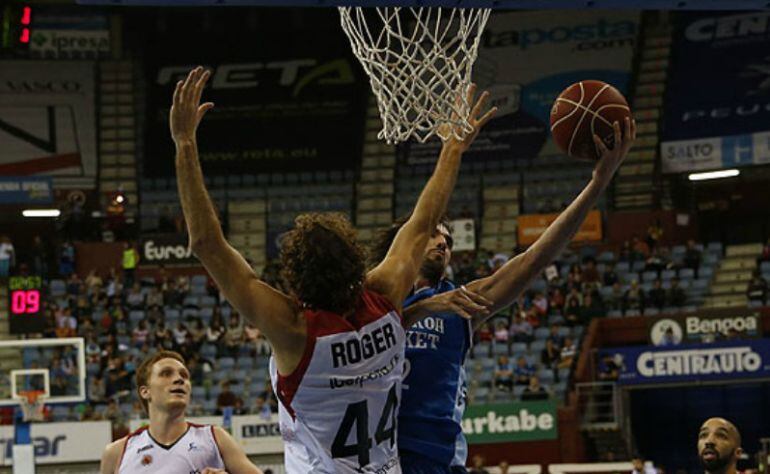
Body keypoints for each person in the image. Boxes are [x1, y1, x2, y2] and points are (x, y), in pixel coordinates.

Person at [170, 67, 495, 474]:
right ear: (359, 263)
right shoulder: (384, 294)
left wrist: (184, 144)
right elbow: (424, 218)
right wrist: (452, 149)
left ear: (294, 280)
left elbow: (205, 244)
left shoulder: (293, 331)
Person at [371, 116, 636, 473]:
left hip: (435, 457)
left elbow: (535, 258)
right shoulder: (374, 300)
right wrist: (424, 306)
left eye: (449, 240)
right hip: (376, 455)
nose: (443, 243)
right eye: (434, 233)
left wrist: (597, 184)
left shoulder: (461, 303)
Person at [99, 351, 262, 474]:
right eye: (166, 373)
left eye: (184, 375)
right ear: (145, 391)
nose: (179, 379)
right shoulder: (117, 452)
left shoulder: (215, 438)